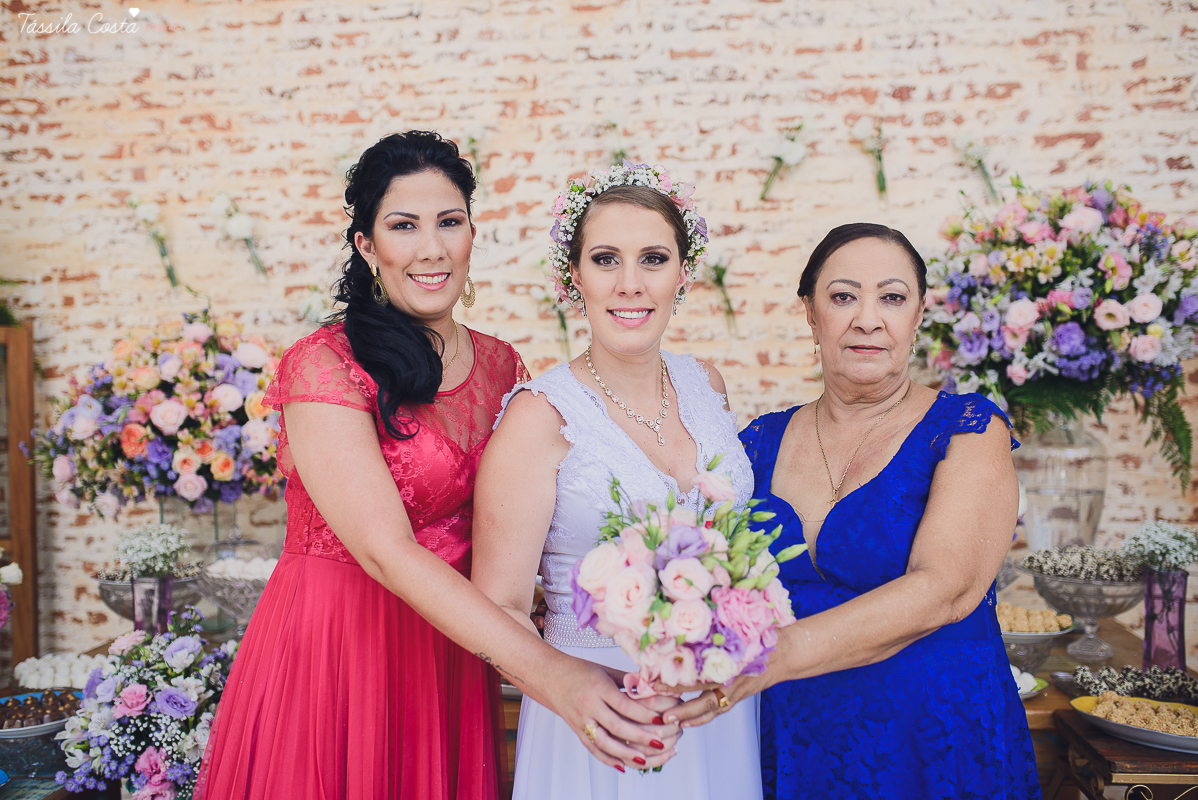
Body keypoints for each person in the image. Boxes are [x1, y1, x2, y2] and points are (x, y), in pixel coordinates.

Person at [195, 132, 676, 800]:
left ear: (472, 234)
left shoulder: (503, 366)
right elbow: (385, 549)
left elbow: (527, 518)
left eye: (449, 222)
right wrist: (553, 673)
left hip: (456, 650)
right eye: (403, 226)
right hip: (339, 648)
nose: (431, 248)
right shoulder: (324, 364)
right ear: (367, 246)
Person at [667, 223, 1040, 799]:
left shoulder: (967, 429)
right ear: (811, 313)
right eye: (843, 297)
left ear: (919, 315)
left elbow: (945, 589)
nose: (868, 319)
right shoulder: (756, 443)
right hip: (794, 742)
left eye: (892, 298)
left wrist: (773, 655)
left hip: (934, 746)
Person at [472, 162, 762, 800]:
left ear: (683, 273)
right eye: (606, 260)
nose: (630, 284)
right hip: (598, 717)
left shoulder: (707, 386)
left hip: (717, 705)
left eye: (653, 259)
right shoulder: (539, 417)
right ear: (574, 277)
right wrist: (571, 689)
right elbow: (497, 608)